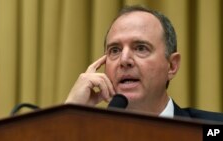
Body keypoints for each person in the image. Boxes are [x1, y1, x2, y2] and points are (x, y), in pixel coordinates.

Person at [65, 5, 223, 122]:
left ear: (172, 66)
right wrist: (66, 117)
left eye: (141, 48)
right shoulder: (83, 134)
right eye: (115, 50)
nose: (124, 60)